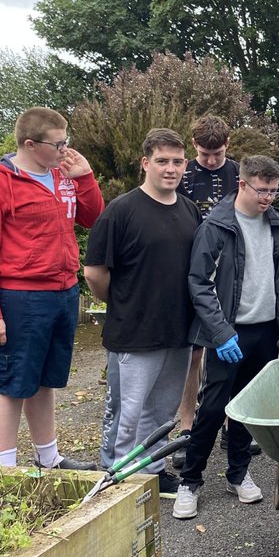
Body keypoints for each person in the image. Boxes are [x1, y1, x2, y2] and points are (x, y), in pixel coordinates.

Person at [0, 107, 104, 469]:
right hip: (19, 299)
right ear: (30, 144)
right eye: (58, 143)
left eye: (66, 140)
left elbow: (94, 220)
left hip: (63, 292)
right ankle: (6, 470)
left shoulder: (62, 177)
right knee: (12, 382)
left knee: (44, 381)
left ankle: (49, 458)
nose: (65, 149)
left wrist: (86, 178)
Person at [172, 156, 279, 519]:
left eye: (274, 191)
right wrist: (221, 333)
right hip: (230, 332)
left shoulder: (277, 224)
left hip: (265, 331)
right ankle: (190, 481)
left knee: (249, 407)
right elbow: (199, 283)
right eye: (262, 190)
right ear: (242, 184)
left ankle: (238, 474)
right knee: (212, 408)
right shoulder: (217, 226)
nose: (268, 198)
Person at [85, 129, 201, 497]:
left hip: (177, 330)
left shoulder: (189, 210)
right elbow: (94, 273)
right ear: (145, 163)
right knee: (127, 413)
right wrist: (123, 303)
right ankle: (118, 476)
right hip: (133, 332)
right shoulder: (120, 211)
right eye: (163, 161)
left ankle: (153, 471)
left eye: (177, 162)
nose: (171, 169)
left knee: (163, 411)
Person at [176, 115, 240, 439]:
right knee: (194, 351)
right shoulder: (182, 173)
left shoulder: (239, 174)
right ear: (194, 147)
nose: (212, 161)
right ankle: (188, 425)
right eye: (205, 155)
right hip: (190, 266)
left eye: (218, 154)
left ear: (228, 145)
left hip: (231, 269)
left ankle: (231, 422)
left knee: (230, 342)